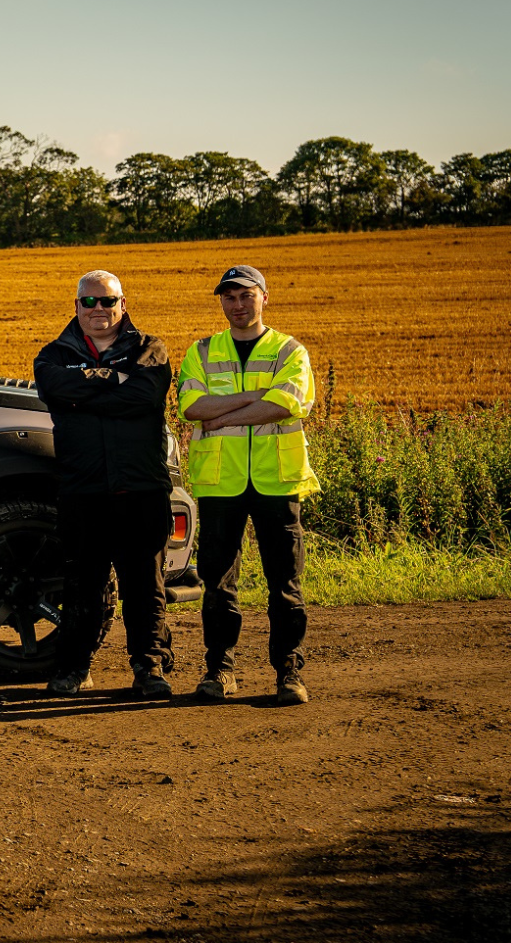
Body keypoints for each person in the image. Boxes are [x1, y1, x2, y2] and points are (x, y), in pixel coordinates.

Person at [177, 265, 319, 705]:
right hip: (221, 482)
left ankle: (289, 674)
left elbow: (287, 404)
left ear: (264, 298)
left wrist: (223, 416)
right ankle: (220, 670)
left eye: (246, 296)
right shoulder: (201, 351)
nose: (238, 305)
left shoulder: (289, 350)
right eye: (229, 297)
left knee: (285, 583)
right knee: (217, 582)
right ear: (221, 301)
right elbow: (192, 406)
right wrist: (253, 399)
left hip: (278, 480)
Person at [33, 271, 176, 698]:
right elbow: (56, 389)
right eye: (89, 302)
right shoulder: (53, 355)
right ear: (76, 306)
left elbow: (145, 396)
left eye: (107, 301)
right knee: (82, 587)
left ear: (123, 303)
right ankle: (75, 668)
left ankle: (149, 667)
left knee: (144, 586)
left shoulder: (150, 348)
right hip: (83, 489)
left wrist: (85, 392)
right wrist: (114, 379)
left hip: (141, 488)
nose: (99, 310)